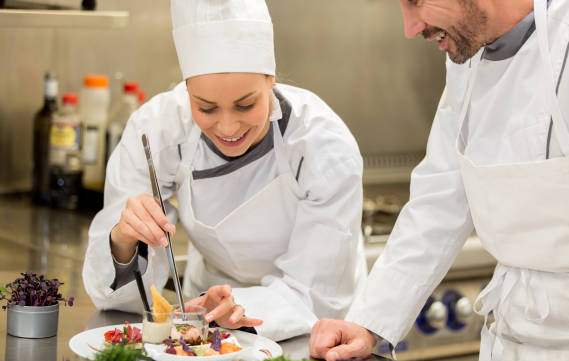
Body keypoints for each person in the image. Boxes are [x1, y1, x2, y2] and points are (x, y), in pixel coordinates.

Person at [310, 0, 569, 361]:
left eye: (417, 1)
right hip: (514, 356)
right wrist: (369, 322)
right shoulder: (467, 55)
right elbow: (439, 199)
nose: (409, 26)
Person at [82, 0, 366, 342]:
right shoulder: (156, 131)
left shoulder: (322, 145)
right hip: (205, 319)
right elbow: (118, 297)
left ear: (271, 81)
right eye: (206, 107)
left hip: (309, 333)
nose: (228, 126)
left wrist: (235, 308)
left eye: (246, 104)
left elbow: (316, 295)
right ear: (186, 89)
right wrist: (123, 241)